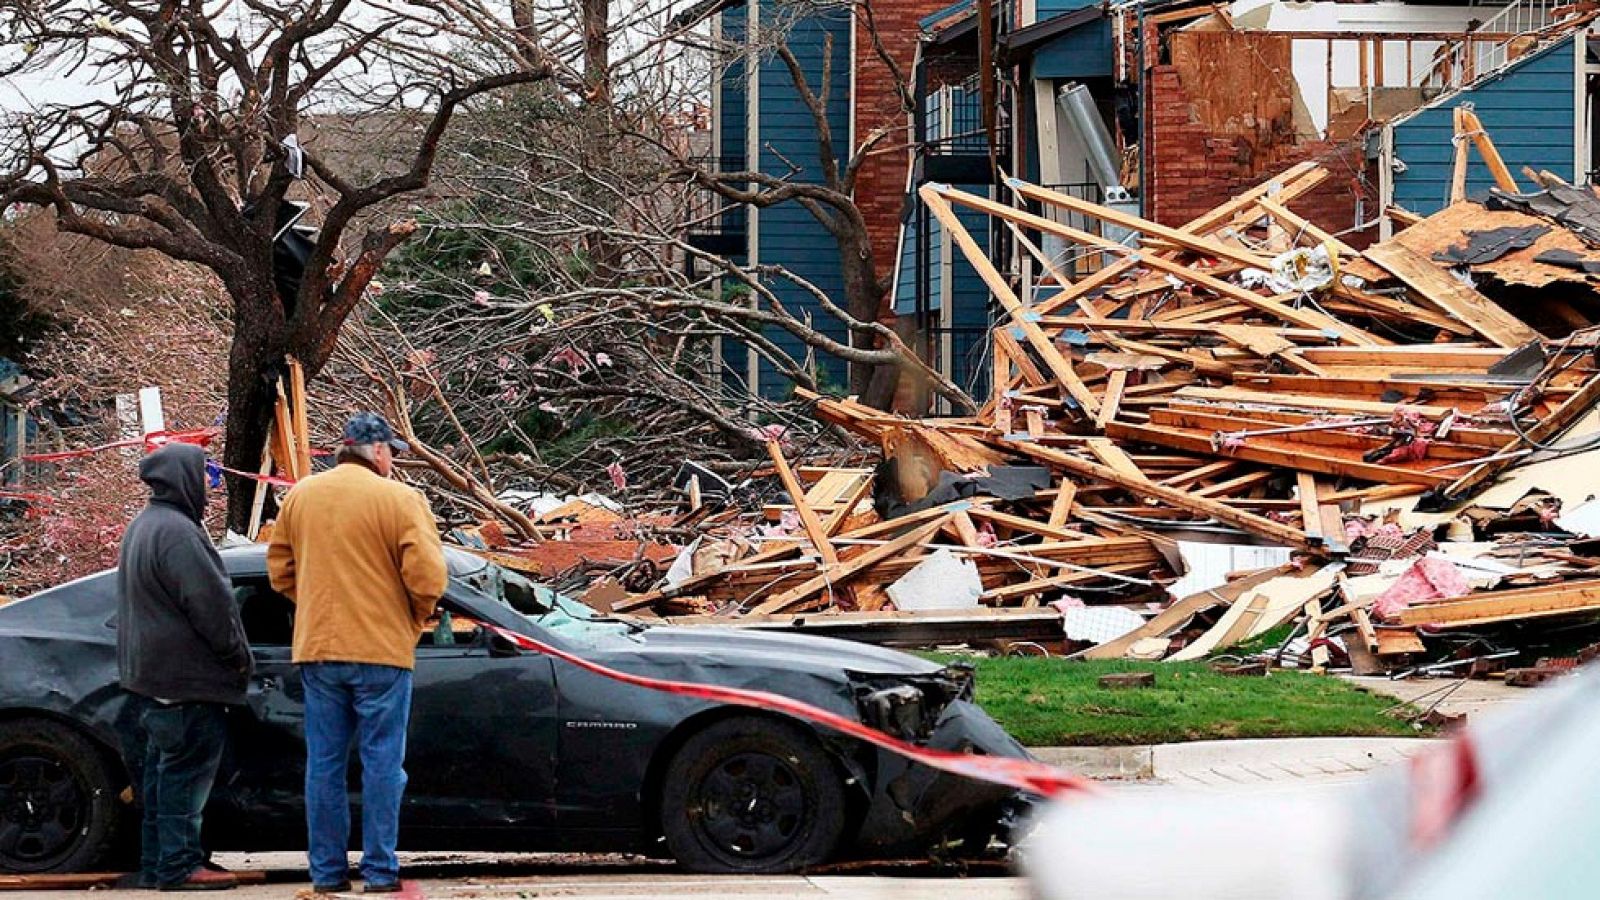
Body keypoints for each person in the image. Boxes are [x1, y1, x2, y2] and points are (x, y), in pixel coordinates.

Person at [267, 412, 447, 894]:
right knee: (383, 764)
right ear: (380, 452)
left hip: (319, 649)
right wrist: (415, 615)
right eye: (392, 454)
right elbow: (428, 577)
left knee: (324, 764)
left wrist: (312, 604)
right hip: (382, 651)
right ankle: (380, 871)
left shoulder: (302, 495)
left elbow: (279, 571)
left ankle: (326, 874)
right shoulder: (401, 499)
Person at [117, 442, 253, 892]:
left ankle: (158, 864)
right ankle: (179, 866)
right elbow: (212, 607)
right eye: (203, 479)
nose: (208, 491)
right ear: (184, 480)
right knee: (183, 781)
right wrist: (238, 657)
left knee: (160, 779)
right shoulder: (179, 534)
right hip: (187, 682)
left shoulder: (144, 526)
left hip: (153, 680)